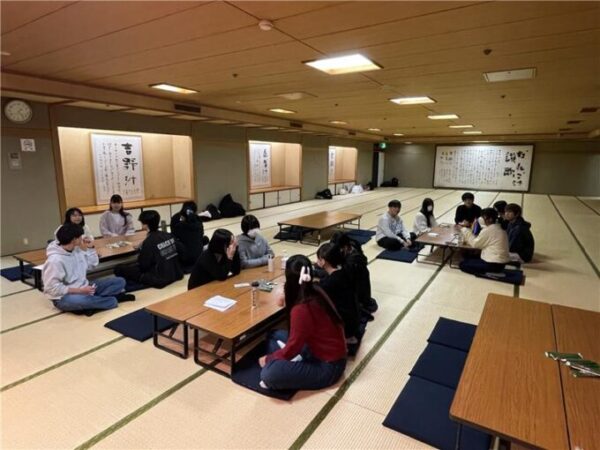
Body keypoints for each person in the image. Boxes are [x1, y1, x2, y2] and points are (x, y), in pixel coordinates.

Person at [259, 255, 347, 391]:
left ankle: (291, 363)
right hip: (314, 348)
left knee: (268, 374)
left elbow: (292, 347)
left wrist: (268, 359)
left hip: (328, 366)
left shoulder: (302, 309)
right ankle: (295, 360)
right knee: (274, 335)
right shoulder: (315, 289)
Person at [43, 224, 133, 315]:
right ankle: (110, 300)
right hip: (64, 296)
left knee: (119, 281)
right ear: (74, 240)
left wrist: (90, 248)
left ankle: (93, 304)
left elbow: (92, 265)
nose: (82, 238)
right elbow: (51, 288)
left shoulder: (76, 250)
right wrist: (80, 291)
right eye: (80, 236)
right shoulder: (55, 260)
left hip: (85, 288)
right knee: (80, 301)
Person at [114, 210, 183, 288]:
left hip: (159, 278)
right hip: (176, 273)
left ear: (145, 225)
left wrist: (142, 249)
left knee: (119, 268)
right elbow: (181, 251)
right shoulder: (168, 235)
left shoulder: (149, 241)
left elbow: (143, 265)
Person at [316, 243, 361, 350]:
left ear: (323, 261)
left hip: (345, 325)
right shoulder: (344, 272)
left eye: (318, 259)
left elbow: (318, 293)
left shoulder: (330, 283)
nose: (316, 261)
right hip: (354, 319)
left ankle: (345, 339)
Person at [331, 232, 377, 316]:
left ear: (345, 247)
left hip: (358, 287)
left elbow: (344, 278)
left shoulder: (354, 261)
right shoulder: (351, 245)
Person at [459, 208, 510, 274]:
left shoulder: (489, 230)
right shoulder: (497, 227)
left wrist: (464, 229)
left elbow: (475, 244)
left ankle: (490, 273)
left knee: (462, 264)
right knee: (467, 257)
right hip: (499, 262)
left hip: (494, 263)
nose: (481, 219)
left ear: (490, 219)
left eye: (483, 217)